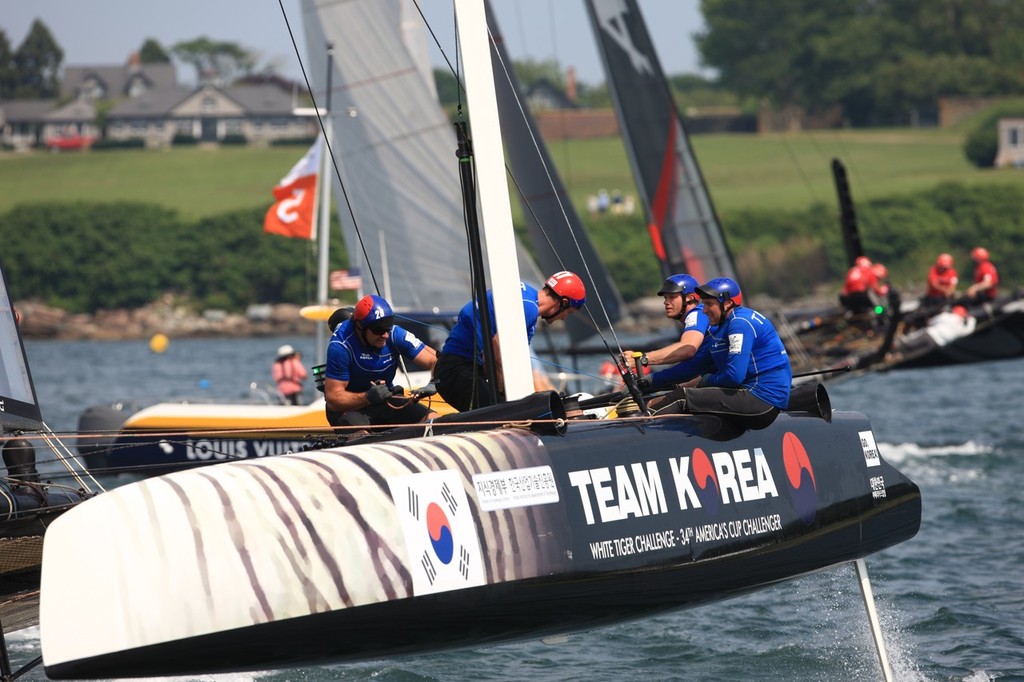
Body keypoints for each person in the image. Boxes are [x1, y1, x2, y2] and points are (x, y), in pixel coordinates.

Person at [645, 277, 792, 429]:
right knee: (681, 392)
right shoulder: (724, 326)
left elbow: (734, 377)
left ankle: (644, 432)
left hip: (762, 401)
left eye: (709, 304)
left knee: (684, 399)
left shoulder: (740, 323)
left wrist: (705, 381)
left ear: (727, 303)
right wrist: (649, 380)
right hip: (751, 395)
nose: (704, 310)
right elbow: (696, 366)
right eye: (703, 304)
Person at [435, 271, 586, 412]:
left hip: (460, 370)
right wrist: (502, 391)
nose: (564, 317)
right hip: (457, 371)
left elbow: (513, 362)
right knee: (506, 416)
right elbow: (494, 351)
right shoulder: (528, 308)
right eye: (569, 312)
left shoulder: (525, 296)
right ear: (564, 302)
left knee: (513, 408)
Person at [323, 294, 438, 430]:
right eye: (378, 330)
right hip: (349, 408)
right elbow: (333, 399)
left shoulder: (395, 334)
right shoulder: (341, 346)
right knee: (362, 438)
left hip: (385, 400)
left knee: (434, 421)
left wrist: (434, 382)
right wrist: (367, 397)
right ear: (359, 326)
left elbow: (434, 360)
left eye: (387, 328)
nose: (385, 335)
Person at [622, 273, 710, 367]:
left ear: (690, 297)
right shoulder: (697, 315)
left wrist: (642, 359)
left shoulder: (697, 314)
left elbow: (687, 349)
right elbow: (691, 369)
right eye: (665, 297)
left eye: (672, 297)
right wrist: (650, 379)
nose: (666, 302)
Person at [895, 304, 976, 357]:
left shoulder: (947, 316)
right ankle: (900, 355)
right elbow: (969, 330)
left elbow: (931, 322)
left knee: (908, 344)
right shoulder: (962, 328)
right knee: (915, 355)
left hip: (929, 335)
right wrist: (971, 319)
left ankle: (893, 352)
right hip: (936, 344)